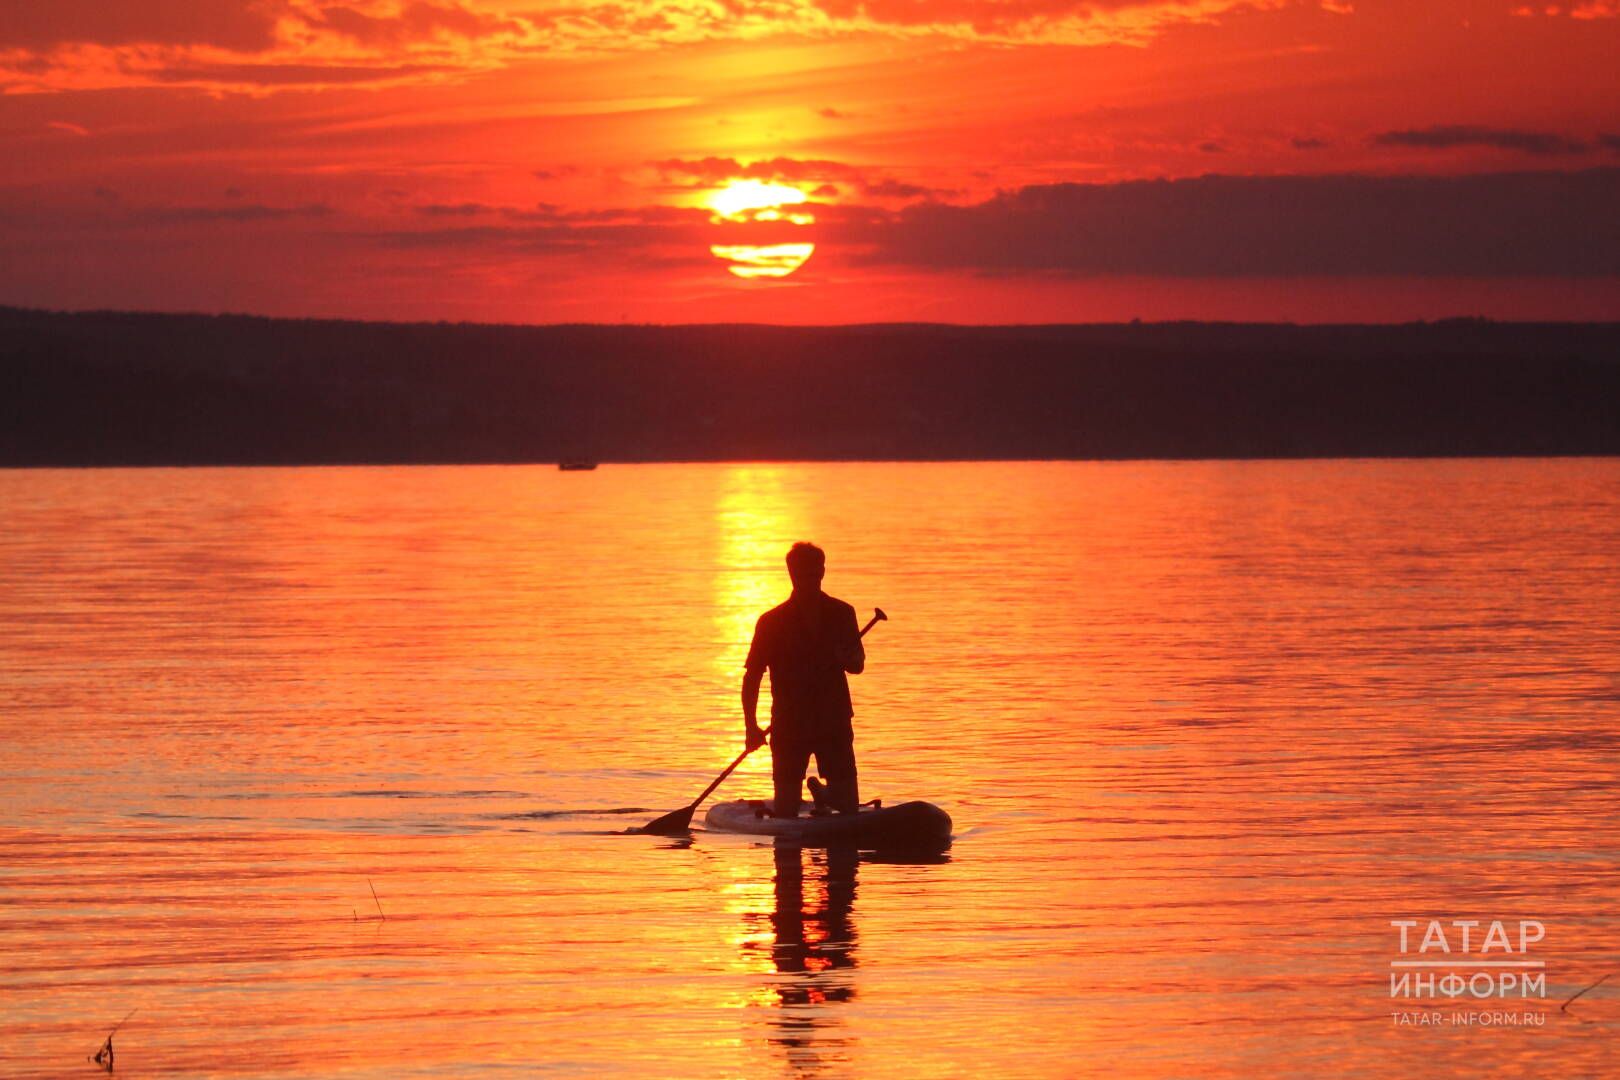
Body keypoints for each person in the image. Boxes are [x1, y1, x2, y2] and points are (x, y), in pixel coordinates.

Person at [742, 542, 865, 817]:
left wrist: (845, 658)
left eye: (815, 573)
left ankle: (827, 795)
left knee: (848, 807)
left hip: (833, 720)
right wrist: (751, 725)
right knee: (786, 809)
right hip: (789, 722)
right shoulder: (771, 622)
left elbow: (858, 665)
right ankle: (815, 799)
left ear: (823, 571)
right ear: (791, 573)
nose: (810, 579)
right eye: (803, 573)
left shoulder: (842, 613)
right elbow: (752, 676)